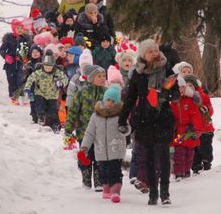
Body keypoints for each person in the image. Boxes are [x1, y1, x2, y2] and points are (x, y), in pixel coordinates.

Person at [118, 39, 178, 205]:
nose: (154, 53)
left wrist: (165, 95)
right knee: (150, 157)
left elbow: (176, 93)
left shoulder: (166, 68)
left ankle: (165, 193)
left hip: (163, 116)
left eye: (156, 50)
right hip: (145, 118)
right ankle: (153, 192)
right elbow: (130, 98)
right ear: (143, 55)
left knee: (164, 155)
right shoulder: (138, 73)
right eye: (150, 51)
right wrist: (122, 120)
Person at [80, 85, 129, 203]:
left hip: (116, 149)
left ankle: (115, 191)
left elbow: (127, 129)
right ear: (104, 100)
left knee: (115, 171)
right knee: (103, 171)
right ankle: (106, 188)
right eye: (108, 100)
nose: (110, 103)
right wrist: (85, 146)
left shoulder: (120, 115)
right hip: (101, 150)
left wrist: (124, 129)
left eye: (113, 101)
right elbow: (90, 132)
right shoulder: (96, 115)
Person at [66, 65, 107, 190]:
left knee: (100, 156)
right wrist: (69, 128)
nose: (102, 79)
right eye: (99, 76)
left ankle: (99, 180)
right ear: (91, 78)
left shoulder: (106, 92)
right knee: (85, 155)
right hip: (83, 131)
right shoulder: (81, 92)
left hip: (101, 131)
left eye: (104, 76)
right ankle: (86, 177)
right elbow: (73, 111)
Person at [171, 75, 206, 182]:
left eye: (182, 87)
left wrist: (197, 129)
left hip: (189, 132)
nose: (180, 90)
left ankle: (186, 171)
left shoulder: (190, 100)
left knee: (189, 153)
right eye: (177, 88)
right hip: (178, 133)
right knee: (179, 153)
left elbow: (196, 116)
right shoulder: (172, 101)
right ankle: (178, 173)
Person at [24, 51, 67, 133]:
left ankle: (56, 126)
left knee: (53, 111)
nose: (47, 68)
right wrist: (27, 88)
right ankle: (41, 117)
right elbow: (30, 79)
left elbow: (65, 78)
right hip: (40, 93)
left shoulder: (57, 72)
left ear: (53, 66)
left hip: (52, 95)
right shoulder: (39, 72)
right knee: (40, 106)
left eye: (50, 66)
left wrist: (61, 83)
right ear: (43, 65)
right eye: (46, 66)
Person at [186, 74, 215, 173]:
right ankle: (196, 167)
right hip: (192, 129)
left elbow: (210, 110)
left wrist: (206, 109)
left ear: (196, 86)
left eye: (191, 85)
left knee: (205, 147)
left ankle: (207, 162)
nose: (190, 88)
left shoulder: (203, 96)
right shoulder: (185, 99)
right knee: (194, 149)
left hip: (206, 129)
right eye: (187, 86)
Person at [0, 19, 32, 104]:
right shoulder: (9, 39)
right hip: (10, 64)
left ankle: (21, 96)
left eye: (21, 28)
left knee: (20, 80)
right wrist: (6, 56)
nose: (20, 29)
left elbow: (29, 51)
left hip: (22, 63)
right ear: (14, 29)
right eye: (18, 28)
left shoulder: (25, 39)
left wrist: (27, 58)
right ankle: (13, 97)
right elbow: (2, 50)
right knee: (12, 80)